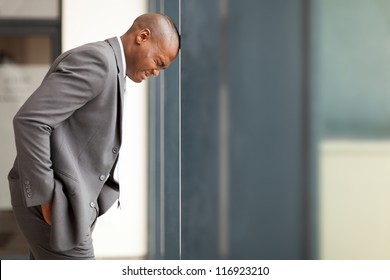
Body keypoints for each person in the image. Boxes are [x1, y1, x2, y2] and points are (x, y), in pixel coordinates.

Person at [7, 13, 180, 260]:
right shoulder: (99, 62)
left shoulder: (114, 69)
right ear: (143, 37)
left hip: (71, 206)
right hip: (57, 207)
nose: (156, 72)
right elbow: (31, 121)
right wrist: (46, 198)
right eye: (159, 62)